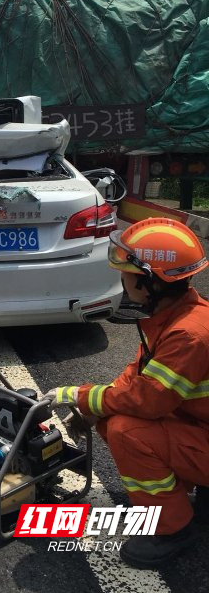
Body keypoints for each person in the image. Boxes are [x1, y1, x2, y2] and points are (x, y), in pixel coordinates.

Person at [44, 217, 209, 569]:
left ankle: (170, 529)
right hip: (201, 427)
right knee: (113, 415)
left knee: (126, 430)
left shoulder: (188, 336)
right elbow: (139, 377)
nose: (122, 278)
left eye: (126, 273)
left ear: (150, 282)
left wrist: (77, 396)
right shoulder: (176, 318)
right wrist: (93, 409)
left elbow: (148, 400)